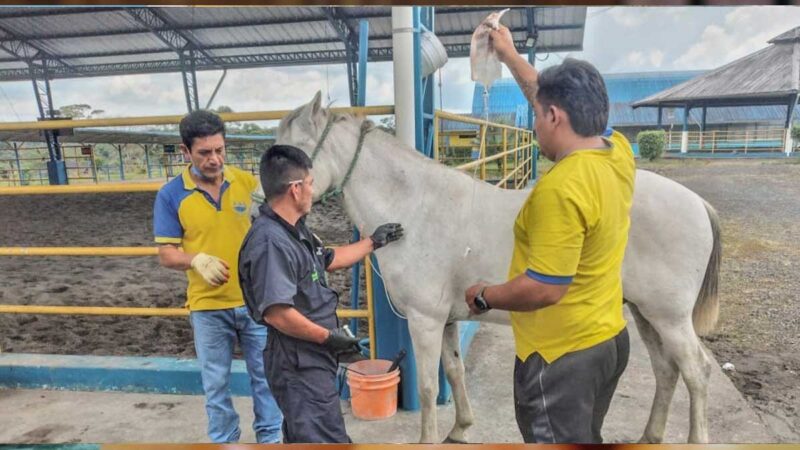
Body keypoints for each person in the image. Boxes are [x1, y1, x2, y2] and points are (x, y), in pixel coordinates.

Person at [464, 26, 635, 443]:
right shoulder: (617, 153)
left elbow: (544, 288)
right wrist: (508, 55)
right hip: (608, 340)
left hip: (561, 359)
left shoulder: (560, 189)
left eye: (538, 115)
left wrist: (485, 294)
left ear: (555, 116)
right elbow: (548, 95)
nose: (535, 123)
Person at [239, 144, 404, 443]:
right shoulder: (270, 243)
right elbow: (278, 313)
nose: (313, 192)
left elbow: (326, 259)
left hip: (310, 356)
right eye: (311, 184)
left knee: (305, 437)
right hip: (298, 361)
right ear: (295, 189)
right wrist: (329, 339)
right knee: (324, 439)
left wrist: (373, 242)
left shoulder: (294, 230)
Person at [153, 110, 282, 443]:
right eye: (204, 153)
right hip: (207, 306)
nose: (215, 159)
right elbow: (166, 254)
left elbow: (273, 226)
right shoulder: (171, 195)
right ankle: (225, 441)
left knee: (266, 378)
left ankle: (270, 439)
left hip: (255, 302)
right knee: (215, 384)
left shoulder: (247, 184)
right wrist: (195, 259)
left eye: (220, 150)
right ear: (185, 152)